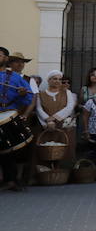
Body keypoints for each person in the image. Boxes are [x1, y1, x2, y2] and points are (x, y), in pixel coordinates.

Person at [0, 58, 34, 191]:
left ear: (5, 59)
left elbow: (29, 99)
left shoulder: (15, 77)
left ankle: (13, 180)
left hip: (9, 116)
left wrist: (22, 94)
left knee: (12, 149)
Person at [37, 70, 77, 165]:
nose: (57, 81)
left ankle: (64, 174)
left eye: (59, 79)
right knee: (46, 151)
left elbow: (69, 107)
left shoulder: (67, 92)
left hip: (63, 125)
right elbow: (39, 109)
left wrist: (54, 118)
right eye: (55, 79)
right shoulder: (40, 94)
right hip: (46, 127)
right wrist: (47, 121)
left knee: (65, 150)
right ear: (49, 80)